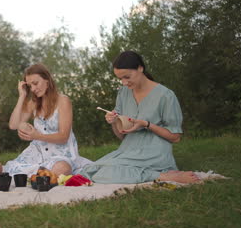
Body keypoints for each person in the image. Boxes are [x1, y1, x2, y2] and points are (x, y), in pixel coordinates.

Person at [77, 51, 200, 184]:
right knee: (89, 171)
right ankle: (157, 175)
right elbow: (122, 136)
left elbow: (175, 137)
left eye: (127, 77)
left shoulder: (166, 96)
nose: (124, 83)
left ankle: (164, 176)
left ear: (140, 68)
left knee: (109, 172)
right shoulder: (123, 93)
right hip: (128, 149)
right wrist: (114, 122)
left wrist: (147, 124)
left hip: (154, 151)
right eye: (120, 79)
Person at [4, 63, 92, 177]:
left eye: (35, 83)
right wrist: (22, 96)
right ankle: (42, 174)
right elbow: (13, 125)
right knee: (9, 169)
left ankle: (38, 174)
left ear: (47, 80)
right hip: (37, 152)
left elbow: (63, 136)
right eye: (30, 86)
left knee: (62, 169)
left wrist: (36, 136)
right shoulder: (34, 103)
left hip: (61, 154)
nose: (33, 89)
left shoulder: (63, 101)